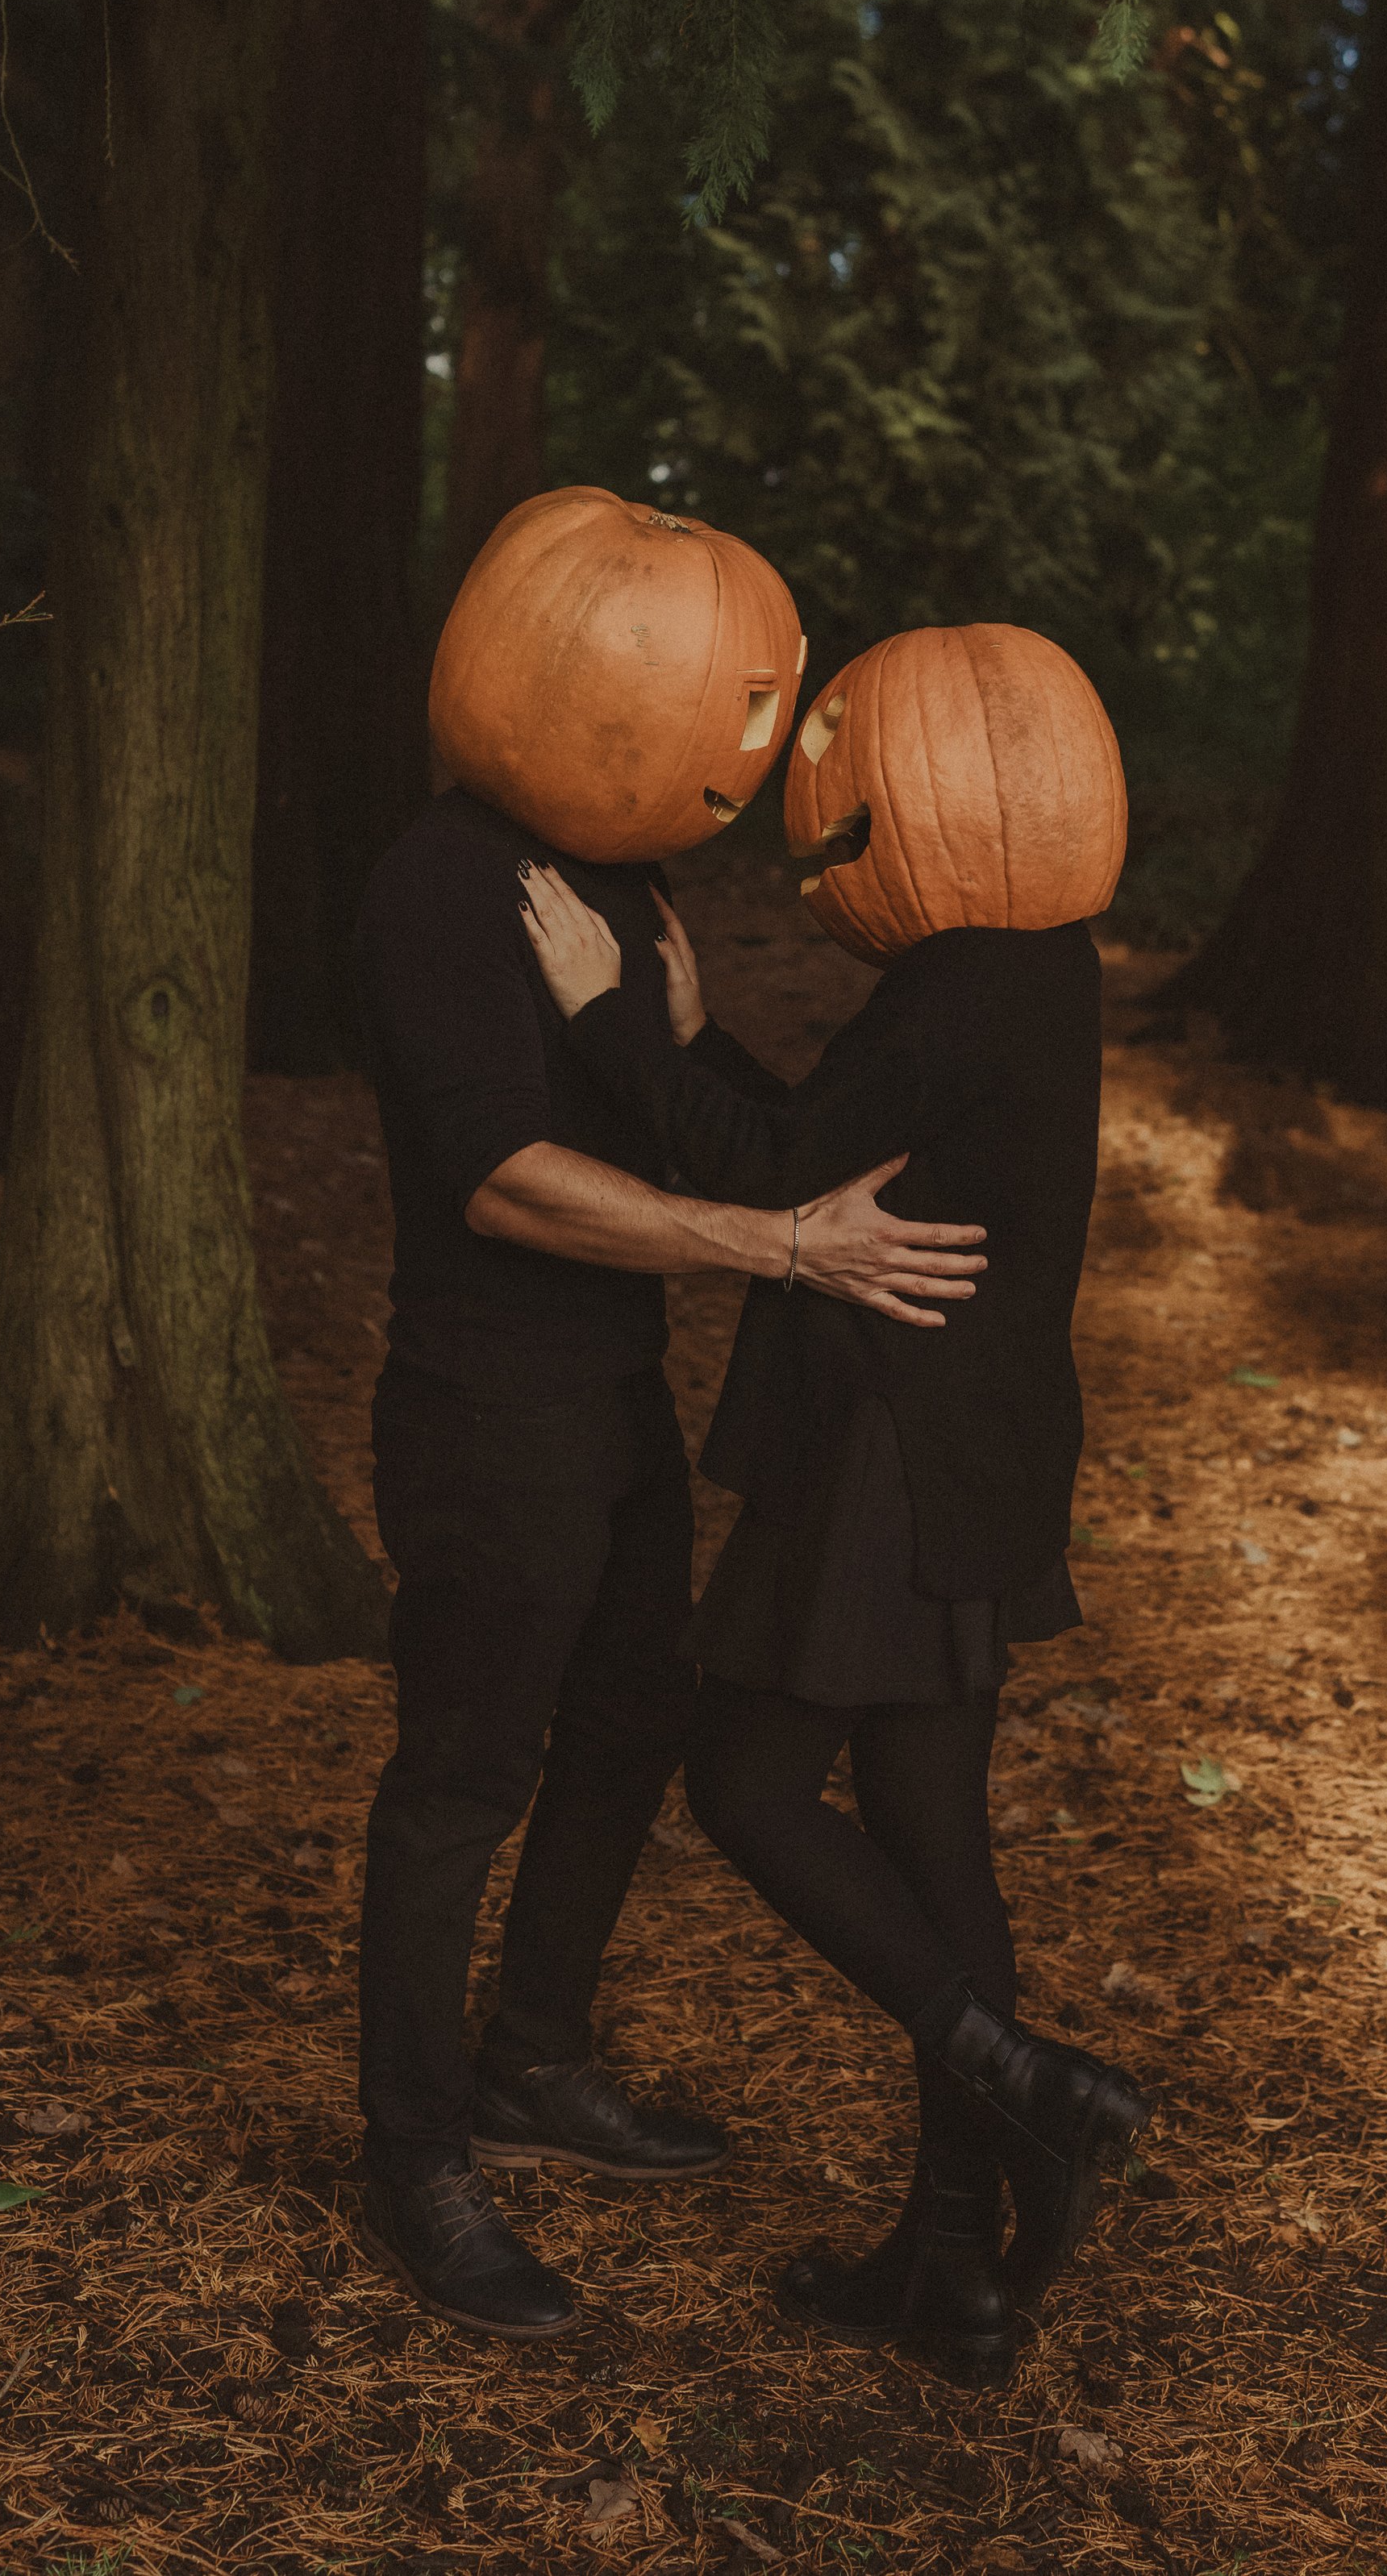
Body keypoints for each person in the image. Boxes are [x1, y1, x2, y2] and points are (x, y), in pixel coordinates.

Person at [351, 784, 989, 2342]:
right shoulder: (441, 880)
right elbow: (501, 1176)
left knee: (635, 1721)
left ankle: (534, 2060)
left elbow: (710, 1129)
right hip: (482, 1413)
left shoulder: (620, 870)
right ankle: (415, 2154)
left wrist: (685, 1040)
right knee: (462, 1780)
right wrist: (782, 1247)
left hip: (617, 1399)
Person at [518, 851, 1148, 2382]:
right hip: (978, 1444)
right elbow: (835, 1149)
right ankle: (953, 2262)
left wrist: (610, 1021)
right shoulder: (1045, 961)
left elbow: (777, 1165)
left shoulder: (959, 973)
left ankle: (1026, 2085)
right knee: (932, 1832)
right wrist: (698, 1037)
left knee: (744, 1782)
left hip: (886, 1450)